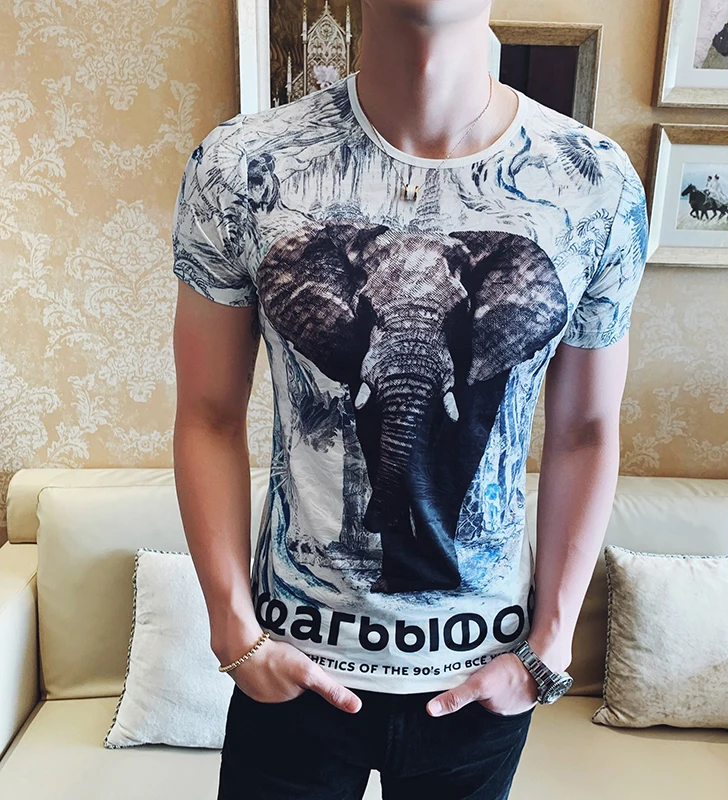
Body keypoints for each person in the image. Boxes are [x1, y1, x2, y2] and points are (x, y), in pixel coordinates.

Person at [171, 1, 648, 798]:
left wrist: (550, 645)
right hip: (291, 669)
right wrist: (233, 630)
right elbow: (208, 416)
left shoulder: (593, 183)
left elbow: (587, 432)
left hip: (480, 680)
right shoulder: (242, 166)